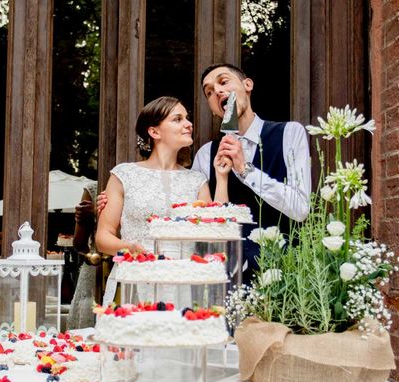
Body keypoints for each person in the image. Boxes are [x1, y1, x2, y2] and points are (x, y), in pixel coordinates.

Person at [96, 96, 232, 305]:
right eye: (177, 119)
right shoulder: (124, 175)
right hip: (135, 280)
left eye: (187, 118)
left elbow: (215, 233)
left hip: (183, 285)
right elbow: (103, 238)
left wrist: (221, 178)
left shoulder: (196, 180)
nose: (188, 124)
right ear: (154, 132)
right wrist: (129, 248)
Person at [197, 63, 311, 279]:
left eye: (223, 82)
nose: (217, 92)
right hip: (227, 277)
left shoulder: (289, 133)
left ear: (247, 84)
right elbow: (200, 227)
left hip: (284, 277)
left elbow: (300, 209)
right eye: (209, 92)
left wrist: (245, 170)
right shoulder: (206, 155)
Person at [67, 181, 99, 329]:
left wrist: (99, 212)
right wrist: (81, 220)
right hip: (94, 270)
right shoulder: (93, 189)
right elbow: (79, 244)